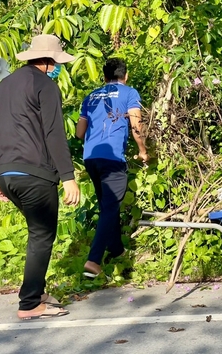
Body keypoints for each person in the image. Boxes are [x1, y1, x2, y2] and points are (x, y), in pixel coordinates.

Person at [0, 34, 81, 321]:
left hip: (6, 173)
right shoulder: (45, 85)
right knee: (41, 235)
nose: (56, 67)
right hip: (34, 172)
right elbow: (54, 132)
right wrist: (68, 176)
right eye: (56, 63)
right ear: (50, 61)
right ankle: (29, 304)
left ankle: (36, 292)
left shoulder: (2, 86)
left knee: (36, 232)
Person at [75, 57, 147, 280]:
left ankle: (117, 251)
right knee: (110, 208)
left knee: (109, 206)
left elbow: (79, 132)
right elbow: (136, 124)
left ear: (104, 77)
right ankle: (94, 260)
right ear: (125, 76)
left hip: (91, 158)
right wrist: (143, 150)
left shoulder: (91, 96)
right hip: (113, 158)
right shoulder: (129, 93)